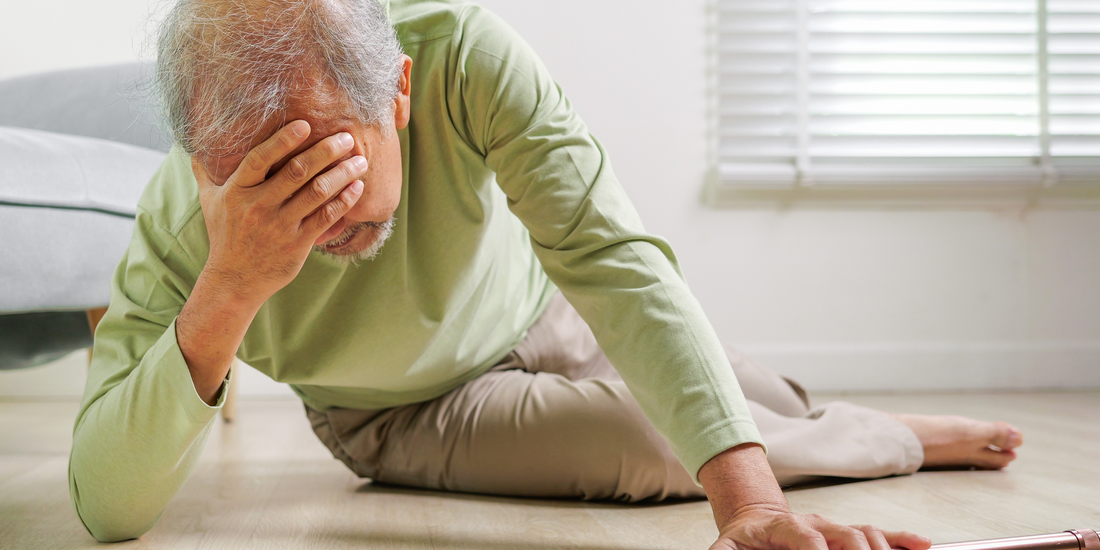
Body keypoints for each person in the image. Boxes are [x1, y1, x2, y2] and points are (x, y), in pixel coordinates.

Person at [69, 0, 1024, 546]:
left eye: (332, 173)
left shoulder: (462, 54)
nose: (308, 219)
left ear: (398, 92)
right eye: (263, 181)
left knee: (742, 395)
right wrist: (232, 285)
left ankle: (824, 425)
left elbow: (612, 260)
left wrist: (750, 498)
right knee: (648, 441)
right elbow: (104, 505)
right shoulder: (180, 216)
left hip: (541, 311)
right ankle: (887, 436)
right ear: (200, 156)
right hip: (398, 408)